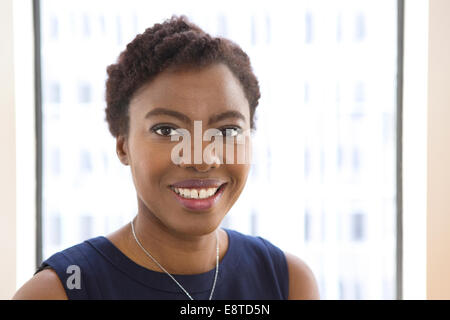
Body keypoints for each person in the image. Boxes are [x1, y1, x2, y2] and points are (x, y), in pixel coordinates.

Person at [13, 15, 319, 300]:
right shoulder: (58, 292)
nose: (200, 158)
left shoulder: (289, 283)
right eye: (167, 130)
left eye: (226, 131)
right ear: (123, 146)